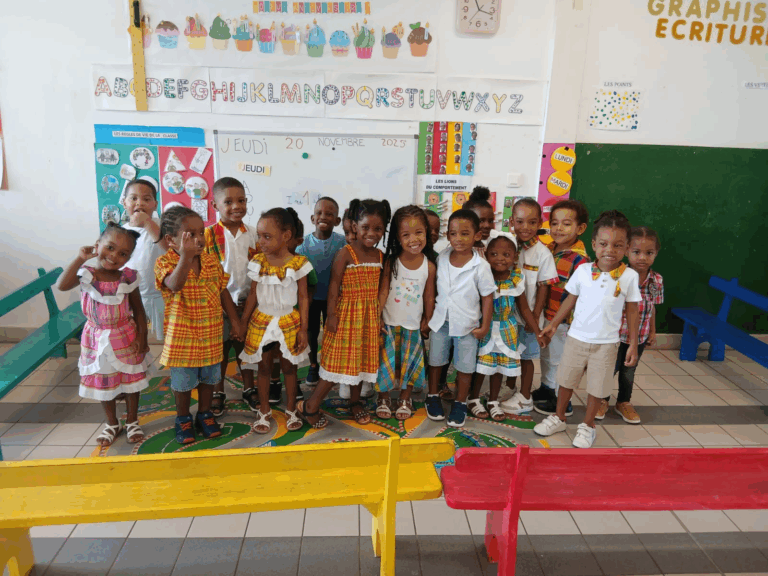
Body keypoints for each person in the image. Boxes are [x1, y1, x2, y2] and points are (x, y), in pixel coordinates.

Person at [535, 210, 641, 448]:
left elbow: (633, 310)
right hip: (576, 338)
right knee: (565, 381)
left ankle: (588, 425)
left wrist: (633, 343)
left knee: (597, 387)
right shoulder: (583, 271)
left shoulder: (629, 277)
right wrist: (553, 324)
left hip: (606, 344)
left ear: (626, 248)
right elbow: (569, 300)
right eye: (603, 244)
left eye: (617, 245)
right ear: (594, 244)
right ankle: (559, 418)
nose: (609, 250)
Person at [296, 199, 391, 428]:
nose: (371, 233)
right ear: (354, 227)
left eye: (378, 229)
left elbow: (382, 290)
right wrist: (331, 316)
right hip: (345, 318)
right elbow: (334, 286)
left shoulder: (381, 257)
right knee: (336, 365)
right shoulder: (345, 254)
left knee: (360, 363)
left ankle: (355, 403)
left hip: (367, 319)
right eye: (365, 227)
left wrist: (377, 316)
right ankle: (310, 406)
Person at [155, 206, 241, 444]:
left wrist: (235, 320)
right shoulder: (164, 262)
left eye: (201, 232)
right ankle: (183, 418)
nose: (199, 239)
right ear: (171, 240)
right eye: (190, 235)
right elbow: (174, 285)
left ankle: (205, 413)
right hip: (183, 338)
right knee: (183, 384)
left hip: (211, 334)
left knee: (209, 379)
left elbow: (222, 291)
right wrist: (185, 256)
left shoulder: (211, 261)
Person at [58, 223, 149, 446]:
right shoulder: (86, 274)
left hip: (125, 336)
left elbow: (139, 310)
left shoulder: (128, 278)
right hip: (95, 338)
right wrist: (80, 258)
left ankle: (132, 420)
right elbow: (62, 285)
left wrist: (142, 338)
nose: (114, 256)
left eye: (123, 253)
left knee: (130, 381)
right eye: (110, 247)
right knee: (103, 382)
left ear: (129, 258)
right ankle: (112, 423)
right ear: (97, 245)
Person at [239, 208, 311, 434]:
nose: (261, 241)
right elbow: (253, 294)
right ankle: (264, 410)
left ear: (286, 236)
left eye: (267, 236)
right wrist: (243, 322)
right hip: (262, 320)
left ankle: (291, 409)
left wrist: (304, 329)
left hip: (289, 320)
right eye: (259, 236)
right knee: (264, 367)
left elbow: (303, 297)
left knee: (289, 368)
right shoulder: (257, 261)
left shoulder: (298, 263)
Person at [425, 209, 496, 428]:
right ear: (448, 235)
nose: (458, 238)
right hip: (441, 322)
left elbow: (488, 297)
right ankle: (432, 396)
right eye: (453, 233)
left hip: (467, 326)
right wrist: (428, 317)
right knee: (436, 361)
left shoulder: (481, 266)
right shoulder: (442, 257)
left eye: (465, 234)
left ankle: (460, 402)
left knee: (465, 367)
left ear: (477, 236)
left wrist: (485, 326)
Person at [468, 235, 545, 419]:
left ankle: (493, 401)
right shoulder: (482, 275)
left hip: (508, 331)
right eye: (494, 254)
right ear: (486, 255)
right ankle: (473, 398)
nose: (500, 258)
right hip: (485, 329)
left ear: (514, 257)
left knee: (499, 368)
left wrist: (537, 331)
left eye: (506, 254)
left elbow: (524, 308)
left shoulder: (516, 279)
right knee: (481, 367)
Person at [204, 177, 259, 416]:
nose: (237, 206)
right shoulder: (207, 236)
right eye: (228, 202)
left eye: (241, 200)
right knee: (221, 351)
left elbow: (257, 270)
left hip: (247, 303)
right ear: (215, 205)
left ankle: (249, 388)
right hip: (217, 305)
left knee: (245, 348)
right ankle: (218, 391)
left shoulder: (254, 234)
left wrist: (247, 310)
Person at [530, 199, 591, 416]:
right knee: (547, 354)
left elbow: (579, 296)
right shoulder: (548, 249)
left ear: (580, 229)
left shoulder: (580, 260)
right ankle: (547, 387)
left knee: (561, 359)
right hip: (547, 314)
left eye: (566, 224)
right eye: (554, 223)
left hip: (564, 320)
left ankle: (562, 399)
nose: (558, 229)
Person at [376, 206, 436, 421]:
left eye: (418, 232)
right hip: (389, 323)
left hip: (412, 325)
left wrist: (428, 319)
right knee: (386, 363)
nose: (413, 239)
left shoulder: (429, 266)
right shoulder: (391, 262)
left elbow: (429, 296)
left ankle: (405, 398)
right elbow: (383, 291)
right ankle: (383, 397)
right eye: (406, 235)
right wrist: (377, 317)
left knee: (410, 363)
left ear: (426, 232)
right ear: (397, 238)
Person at [599, 226, 663, 424]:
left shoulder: (656, 280)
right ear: (626, 250)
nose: (642, 257)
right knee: (609, 369)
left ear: (656, 253)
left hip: (639, 336)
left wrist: (652, 331)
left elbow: (652, 308)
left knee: (629, 371)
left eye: (649, 253)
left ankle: (623, 402)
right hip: (614, 335)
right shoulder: (618, 276)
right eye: (636, 252)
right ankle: (601, 400)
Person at [504, 199, 558, 413]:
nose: (525, 227)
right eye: (520, 221)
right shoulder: (506, 245)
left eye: (532, 222)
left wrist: (535, 317)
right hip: (507, 315)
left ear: (540, 223)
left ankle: (525, 396)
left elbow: (544, 287)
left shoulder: (542, 253)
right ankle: (509, 389)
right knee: (509, 354)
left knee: (526, 358)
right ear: (511, 222)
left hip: (529, 318)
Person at [296, 197, 345, 386]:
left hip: (335, 298)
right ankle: (313, 365)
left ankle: (331, 364)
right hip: (311, 298)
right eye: (319, 213)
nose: (323, 217)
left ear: (337, 221)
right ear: (312, 218)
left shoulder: (343, 243)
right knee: (312, 331)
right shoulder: (303, 246)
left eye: (329, 214)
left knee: (333, 331)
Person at [122, 178, 166, 342]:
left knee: (164, 337)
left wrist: (147, 223)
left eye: (146, 199)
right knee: (134, 337)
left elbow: (168, 248)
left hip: (160, 296)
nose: (139, 203)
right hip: (131, 296)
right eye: (133, 198)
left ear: (155, 205)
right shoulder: (121, 232)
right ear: (125, 203)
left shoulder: (161, 226)